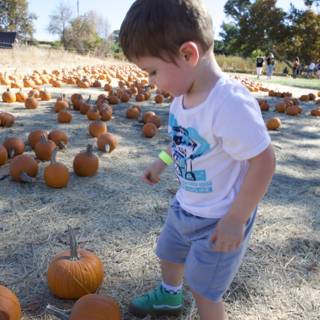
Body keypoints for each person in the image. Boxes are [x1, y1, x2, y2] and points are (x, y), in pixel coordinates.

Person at [119, 1, 276, 319]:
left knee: (205, 288)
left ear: (187, 55)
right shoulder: (181, 99)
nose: (151, 81)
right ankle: (169, 297)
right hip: (185, 205)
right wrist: (161, 161)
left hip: (219, 218)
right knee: (168, 253)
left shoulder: (228, 103)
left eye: (152, 71)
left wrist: (236, 219)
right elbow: (181, 140)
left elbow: (264, 162)